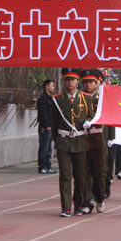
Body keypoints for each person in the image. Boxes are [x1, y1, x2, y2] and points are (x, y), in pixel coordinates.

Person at [51, 68, 92, 217]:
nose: (70, 82)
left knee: (80, 176)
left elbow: (92, 116)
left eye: (73, 79)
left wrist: (88, 122)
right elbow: (54, 122)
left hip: (80, 141)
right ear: (64, 81)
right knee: (65, 175)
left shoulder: (86, 98)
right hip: (63, 142)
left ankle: (78, 204)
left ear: (77, 81)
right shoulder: (57, 99)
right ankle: (66, 207)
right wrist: (57, 140)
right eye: (67, 79)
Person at [80, 69, 107, 212]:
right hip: (82, 137)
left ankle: (100, 198)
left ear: (97, 83)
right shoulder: (80, 98)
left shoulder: (102, 98)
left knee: (99, 171)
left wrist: (111, 137)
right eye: (85, 82)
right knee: (84, 171)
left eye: (91, 82)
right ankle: (86, 202)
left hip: (97, 137)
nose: (88, 85)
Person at [36, 79, 56, 174]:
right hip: (45, 128)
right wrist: (46, 125)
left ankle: (48, 166)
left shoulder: (50, 99)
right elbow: (42, 113)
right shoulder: (43, 99)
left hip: (50, 127)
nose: (53, 87)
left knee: (49, 148)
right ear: (46, 87)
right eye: (52, 85)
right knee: (44, 148)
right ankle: (42, 166)